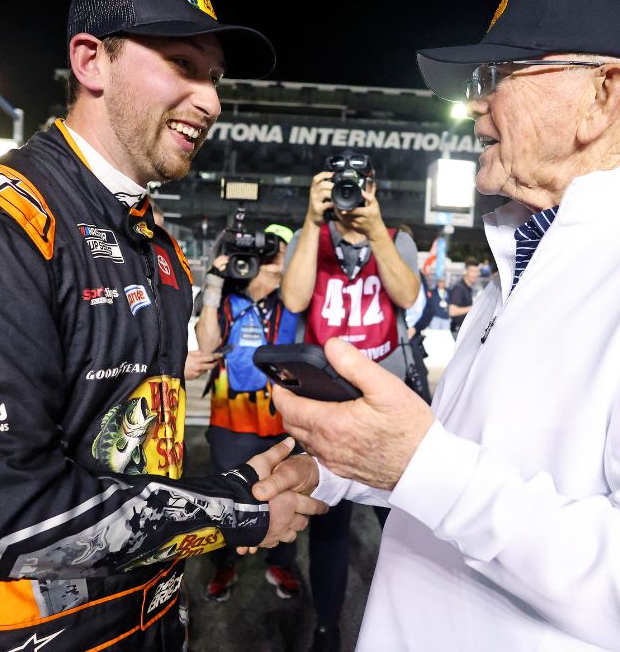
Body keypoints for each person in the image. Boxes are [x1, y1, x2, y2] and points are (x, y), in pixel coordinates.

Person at [258, 0, 620, 651]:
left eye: (498, 79)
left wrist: (420, 467)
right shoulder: (527, 252)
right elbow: (478, 470)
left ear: (602, 96)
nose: (473, 106)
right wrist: (341, 470)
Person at [0, 0, 324, 651]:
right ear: (90, 61)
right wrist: (238, 514)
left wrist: (230, 488)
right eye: (183, 64)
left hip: (153, 623)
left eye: (215, 78)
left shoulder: (152, 237)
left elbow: (127, 456)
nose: (212, 101)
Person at [280, 155, 421, 651]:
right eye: (339, 185)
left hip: (388, 400)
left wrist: (379, 231)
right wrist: (309, 222)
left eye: (357, 186)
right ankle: (326, 626)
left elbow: (408, 295)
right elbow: (294, 301)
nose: (347, 195)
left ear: (373, 188)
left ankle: (414, 621)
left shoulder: (396, 236)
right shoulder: (310, 237)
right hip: (328, 398)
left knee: (403, 519)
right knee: (330, 524)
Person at [195, 223, 303, 601]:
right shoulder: (227, 297)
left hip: (283, 417)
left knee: (286, 488)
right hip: (231, 420)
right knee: (227, 496)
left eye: (283, 248)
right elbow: (206, 344)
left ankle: (282, 562)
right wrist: (212, 284)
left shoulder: (292, 297)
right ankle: (223, 564)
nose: (278, 256)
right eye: (274, 250)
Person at [447, 258, 479, 338]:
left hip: (464, 332)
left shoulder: (468, 289)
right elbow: (452, 311)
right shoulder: (459, 288)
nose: (475, 274)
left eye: (477, 272)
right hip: (457, 332)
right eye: (472, 271)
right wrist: (472, 308)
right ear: (465, 271)